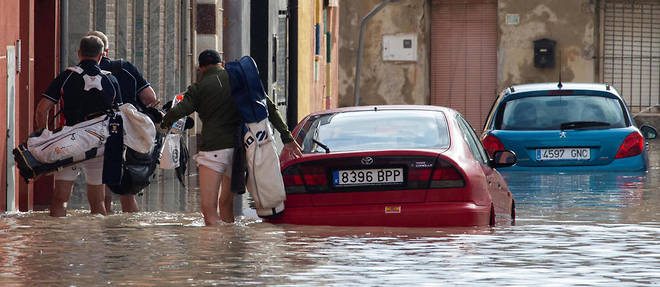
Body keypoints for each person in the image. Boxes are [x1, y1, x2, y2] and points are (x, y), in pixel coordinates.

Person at [160, 50, 302, 226]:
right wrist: (287, 137)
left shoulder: (198, 88)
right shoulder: (241, 80)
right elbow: (269, 107)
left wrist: (163, 124)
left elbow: (178, 111)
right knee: (225, 204)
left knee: (209, 211)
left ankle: (214, 251)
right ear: (223, 63)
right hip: (239, 152)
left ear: (200, 68)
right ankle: (230, 246)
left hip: (213, 152)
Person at [34, 35, 122, 217]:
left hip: (69, 145)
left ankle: (61, 242)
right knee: (98, 203)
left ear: (79, 53)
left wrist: (44, 137)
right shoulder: (111, 81)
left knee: (60, 199)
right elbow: (119, 117)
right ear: (101, 56)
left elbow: (42, 110)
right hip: (98, 145)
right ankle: (97, 243)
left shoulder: (66, 77)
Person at [87, 31, 160, 213]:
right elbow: (150, 97)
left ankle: (104, 229)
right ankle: (129, 235)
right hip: (125, 134)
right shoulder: (124, 67)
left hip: (93, 133)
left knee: (101, 188)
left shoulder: (81, 71)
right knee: (126, 192)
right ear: (106, 50)